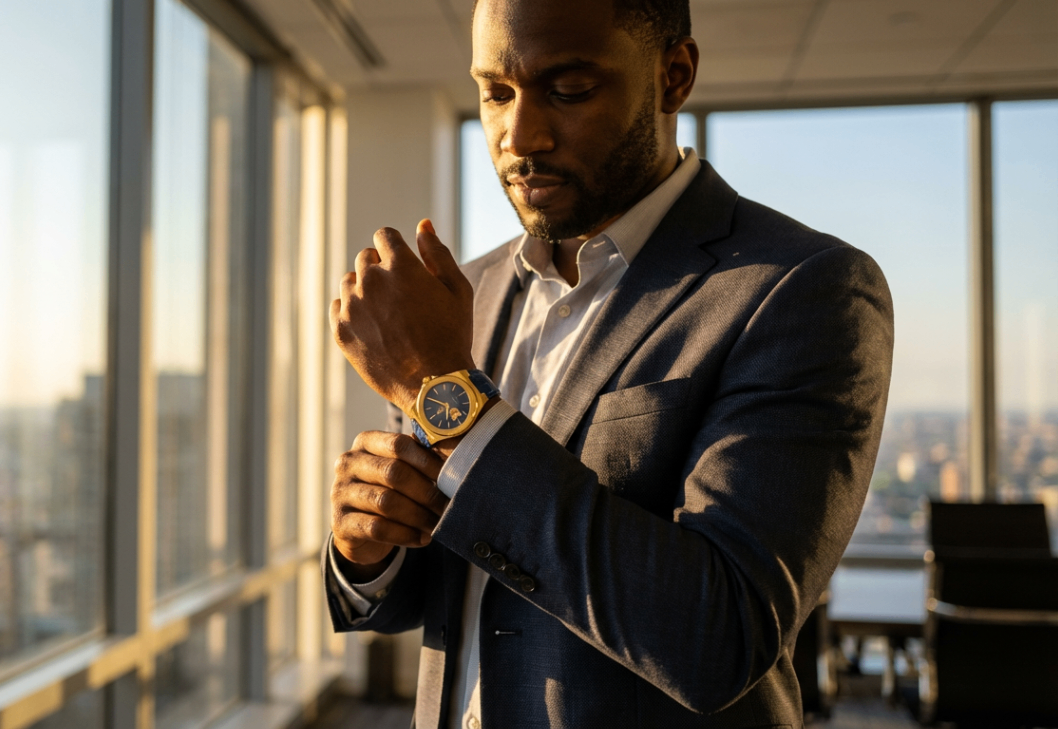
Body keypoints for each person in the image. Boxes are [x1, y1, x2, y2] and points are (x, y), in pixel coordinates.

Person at [323, 0, 894, 725]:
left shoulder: (804, 289)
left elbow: (717, 638)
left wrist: (444, 397)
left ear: (673, 75)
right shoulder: (471, 290)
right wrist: (364, 547)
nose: (518, 135)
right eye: (495, 92)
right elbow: (456, 584)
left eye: (568, 90)